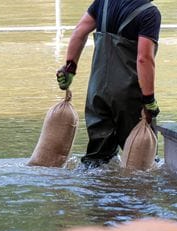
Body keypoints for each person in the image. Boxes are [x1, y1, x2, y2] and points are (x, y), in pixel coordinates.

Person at [57, 0, 161, 167]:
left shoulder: (103, 3)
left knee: (97, 161)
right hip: (129, 97)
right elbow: (144, 59)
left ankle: (94, 191)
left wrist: (70, 68)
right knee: (144, 163)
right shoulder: (149, 13)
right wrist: (149, 101)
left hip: (97, 94)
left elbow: (79, 32)